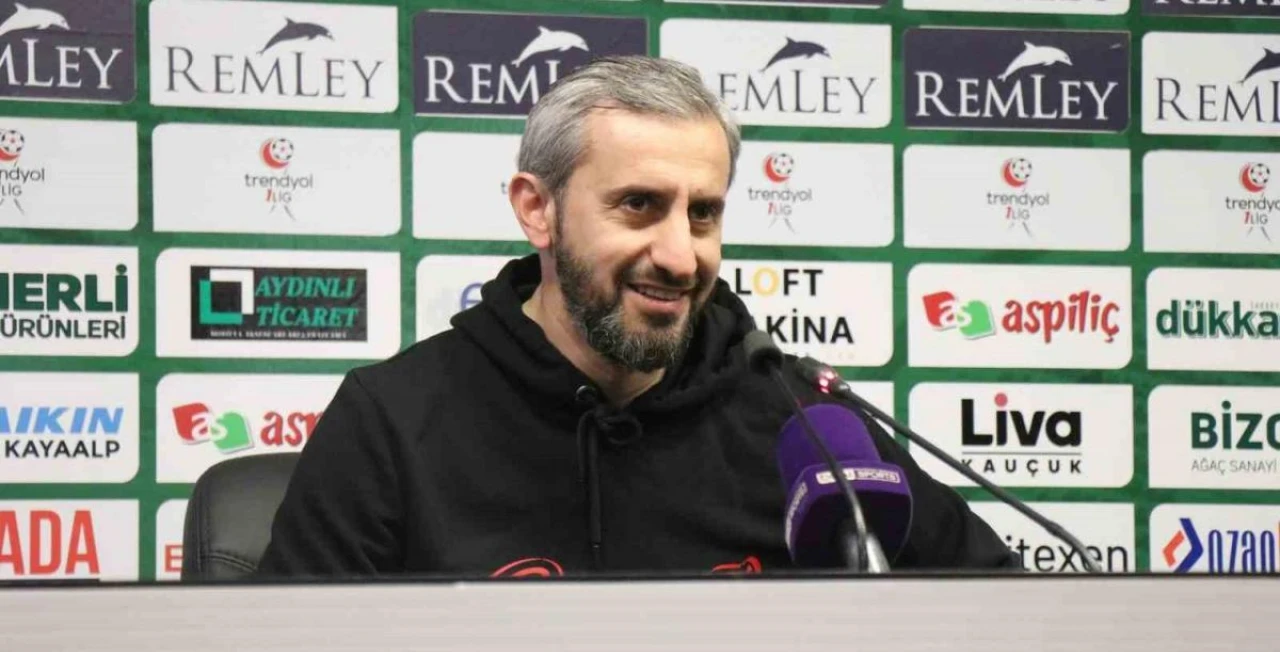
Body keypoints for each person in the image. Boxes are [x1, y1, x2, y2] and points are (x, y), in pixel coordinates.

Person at [256, 56, 1020, 578]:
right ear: (538, 209)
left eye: (703, 213)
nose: (681, 256)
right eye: (639, 205)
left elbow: (1000, 621)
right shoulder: (392, 422)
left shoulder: (803, 424)